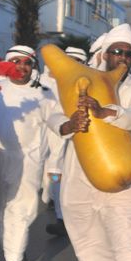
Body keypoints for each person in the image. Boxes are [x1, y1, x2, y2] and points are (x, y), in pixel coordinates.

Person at [60, 24, 131, 261]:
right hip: (80, 170)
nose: (122, 58)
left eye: (128, 53)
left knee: (126, 232)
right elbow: (53, 114)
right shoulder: (81, 81)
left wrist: (106, 112)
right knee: (84, 229)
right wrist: (67, 125)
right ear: (104, 54)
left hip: (126, 170)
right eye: (117, 52)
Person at [0, 45, 71, 261]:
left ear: (33, 67)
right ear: (7, 63)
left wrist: (65, 127)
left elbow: (55, 118)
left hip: (28, 160)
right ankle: (13, 254)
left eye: (27, 63)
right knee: (1, 211)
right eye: (17, 62)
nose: (22, 67)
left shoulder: (43, 93)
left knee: (22, 211)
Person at [43, 46, 88, 238]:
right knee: (56, 177)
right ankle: (61, 219)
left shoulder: (88, 85)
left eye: (77, 62)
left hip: (81, 147)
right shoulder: (48, 84)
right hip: (55, 143)